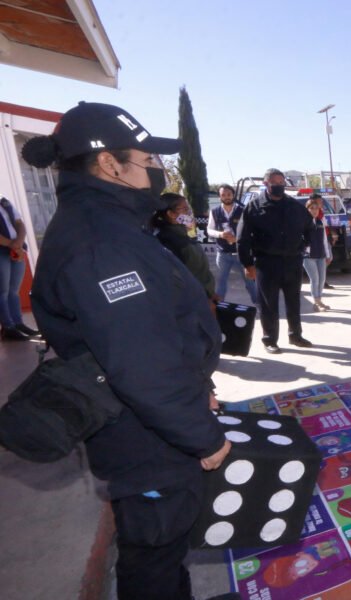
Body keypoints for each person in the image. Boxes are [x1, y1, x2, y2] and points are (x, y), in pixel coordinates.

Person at [21, 102, 231, 600]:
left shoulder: (113, 226)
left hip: (147, 425)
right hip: (145, 438)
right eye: (147, 160)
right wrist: (201, 436)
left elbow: (152, 333)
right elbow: (141, 363)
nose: (158, 170)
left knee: (164, 544)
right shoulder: (102, 243)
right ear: (110, 165)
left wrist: (198, 389)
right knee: (153, 553)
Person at [237, 168, 315, 353]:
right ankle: (269, 340)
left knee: (293, 301)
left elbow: (310, 227)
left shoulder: (294, 206)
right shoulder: (254, 207)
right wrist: (247, 264)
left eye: (282, 183)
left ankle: (295, 335)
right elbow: (243, 238)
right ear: (266, 183)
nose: (279, 186)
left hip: (292, 262)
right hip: (266, 263)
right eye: (275, 183)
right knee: (268, 304)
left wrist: (303, 245)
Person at [152, 193, 217, 307]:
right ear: (171, 214)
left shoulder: (181, 236)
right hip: (194, 304)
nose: (189, 213)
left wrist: (211, 294)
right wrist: (206, 298)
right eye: (185, 209)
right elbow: (186, 279)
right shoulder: (171, 241)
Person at [206, 184, 258, 305]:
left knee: (250, 281)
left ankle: (259, 305)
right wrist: (220, 234)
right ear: (220, 196)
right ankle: (219, 307)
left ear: (233, 195)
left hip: (241, 253)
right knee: (221, 282)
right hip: (222, 254)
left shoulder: (243, 210)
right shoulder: (214, 211)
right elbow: (209, 230)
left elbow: (251, 231)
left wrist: (238, 240)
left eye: (229, 194)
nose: (226, 197)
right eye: (223, 195)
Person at [0, 195, 38, 340]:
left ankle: (18, 323)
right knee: (2, 291)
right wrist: (13, 244)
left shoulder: (5, 203)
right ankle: (8, 328)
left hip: (16, 249)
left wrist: (19, 241)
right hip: (3, 250)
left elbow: (19, 223)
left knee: (13, 291)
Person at [302, 198, 332, 311]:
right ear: (307, 209)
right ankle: (316, 301)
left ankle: (319, 299)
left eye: (316, 208)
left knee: (322, 279)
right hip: (308, 256)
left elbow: (324, 239)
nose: (315, 210)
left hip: (320, 254)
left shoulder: (320, 222)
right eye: (312, 208)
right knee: (315, 279)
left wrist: (328, 254)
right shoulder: (304, 222)